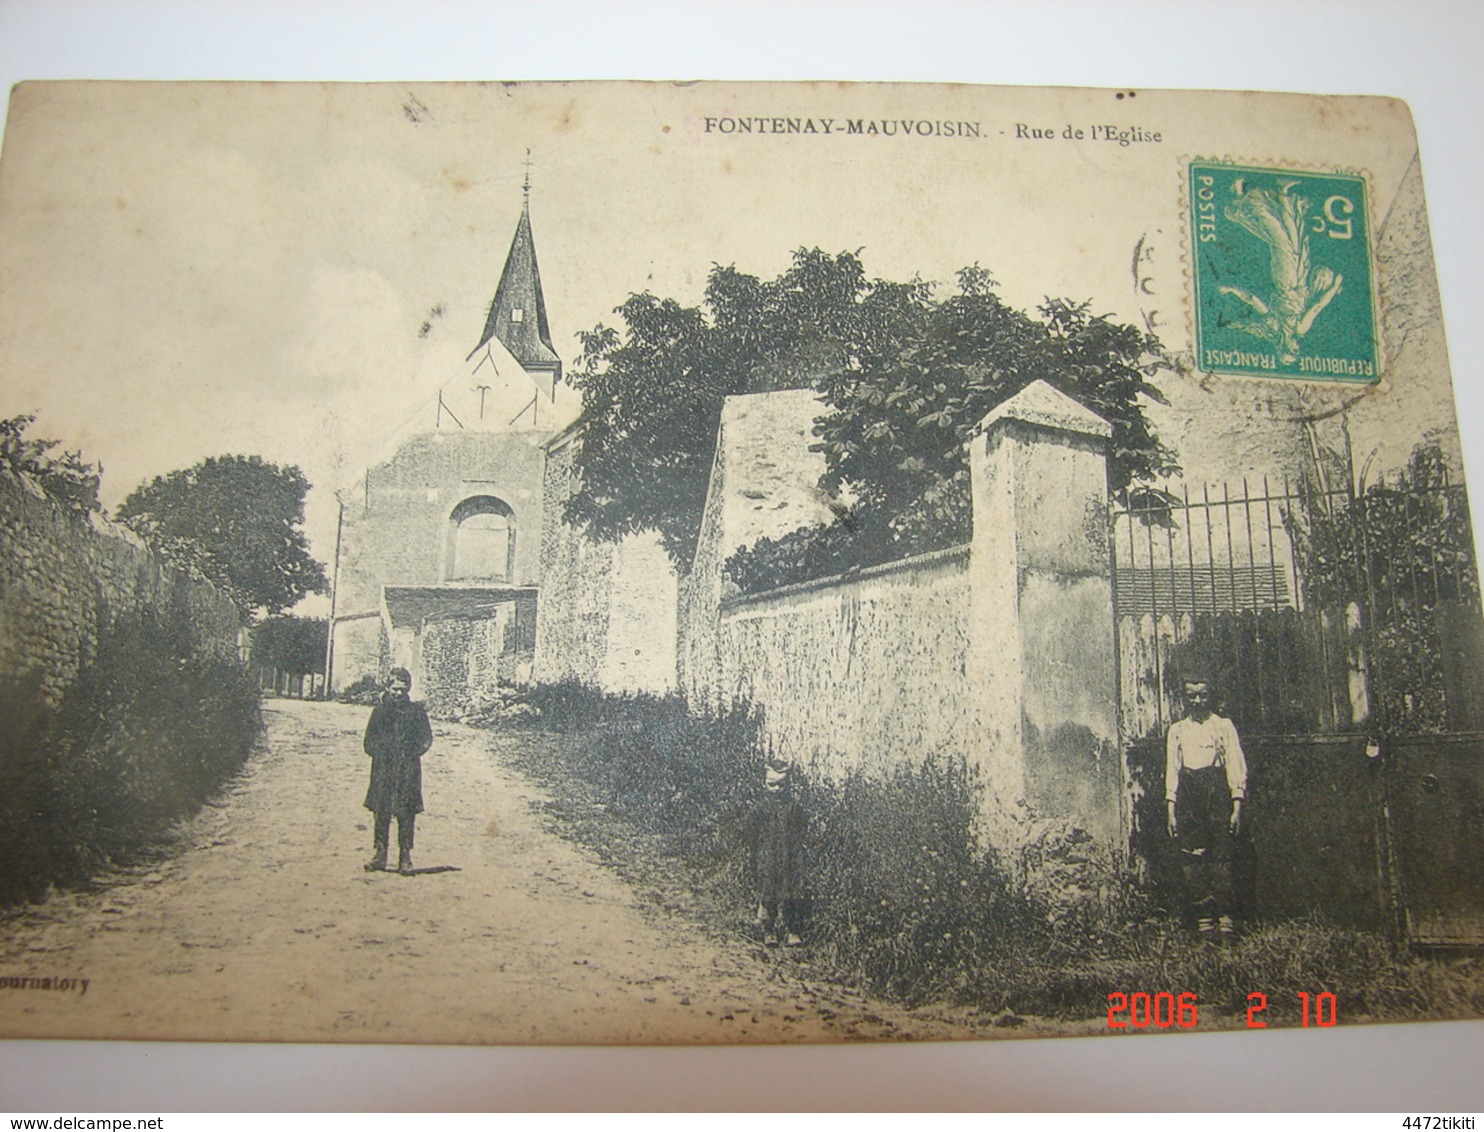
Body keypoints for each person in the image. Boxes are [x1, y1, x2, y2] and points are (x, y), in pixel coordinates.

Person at [1165, 676, 1248, 938]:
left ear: (1211, 695)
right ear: (1185, 698)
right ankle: (1203, 918)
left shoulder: (1223, 726)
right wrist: (1171, 808)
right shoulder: (1177, 729)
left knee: (1221, 854)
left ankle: (1225, 918)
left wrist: (1236, 804)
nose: (1198, 701)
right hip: (1189, 795)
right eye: (1192, 696)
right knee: (1193, 856)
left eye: (1202, 695)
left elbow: (1235, 763)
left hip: (1216, 791)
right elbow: (1172, 769)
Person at [362, 667, 433, 875]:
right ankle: (380, 854)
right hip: (383, 770)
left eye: (402, 689)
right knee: (381, 811)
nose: (398, 693)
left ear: (408, 689)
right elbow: (368, 741)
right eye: (394, 689)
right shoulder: (379, 712)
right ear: (388, 688)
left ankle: (405, 857)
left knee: (406, 812)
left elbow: (427, 738)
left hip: (407, 770)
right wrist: (380, 753)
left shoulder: (416, 712)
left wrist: (412, 753)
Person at [752, 753, 807, 948]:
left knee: (792, 893)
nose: (776, 789)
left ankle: (792, 930)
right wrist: (756, 853)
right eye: (771, 784)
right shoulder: (761, 808)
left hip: (790, 855)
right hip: (768, 855)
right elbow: (752, 832)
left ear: (788, 785)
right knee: (768, 894)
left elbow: (801, 828)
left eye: (781, 785)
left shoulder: (793, 807)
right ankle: (769, 930)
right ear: (764, 784)